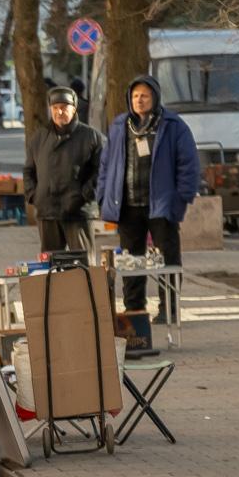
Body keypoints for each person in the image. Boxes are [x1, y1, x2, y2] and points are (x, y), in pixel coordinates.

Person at [97, 73, 198, 339]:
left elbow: (188, 165)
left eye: (145, 95)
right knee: (131, 262)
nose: (139, 100)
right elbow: (107, 165)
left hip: (161, 205)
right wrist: (102, 197)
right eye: (135, 96)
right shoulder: (120, 126)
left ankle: (170, 308)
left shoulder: (173, 125)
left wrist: (180, 199)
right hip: (128, 206)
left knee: (168, 260)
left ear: (155, 97)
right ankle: (135, 309)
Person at [24, 85, 103, 255]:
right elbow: (28, 170)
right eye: (55, 108)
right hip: (47, 212)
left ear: (74, 109)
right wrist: (34, 195)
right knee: (51, 267)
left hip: (78, 212)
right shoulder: (39, 137)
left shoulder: (91, 136)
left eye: (64, 107)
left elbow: (101, 171)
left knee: (83, 266)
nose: (59, 112)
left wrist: (84, 195)